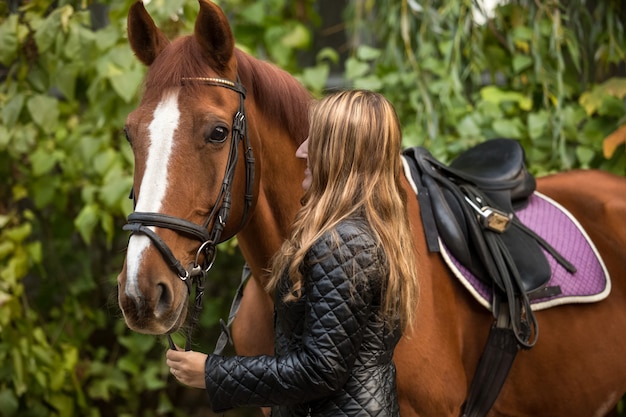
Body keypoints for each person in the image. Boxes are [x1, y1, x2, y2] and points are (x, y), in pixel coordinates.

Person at [166, 89, 419, 416]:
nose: (302, 151)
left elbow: (321, 369)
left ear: (343, 154)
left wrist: (213, 374)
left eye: (316, 140)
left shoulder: (343, 245)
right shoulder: (363, 233)